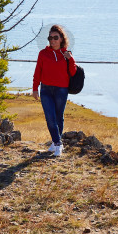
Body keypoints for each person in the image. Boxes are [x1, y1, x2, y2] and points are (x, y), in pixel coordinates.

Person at [32, 25, 76, 156]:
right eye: (50, 38)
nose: (52, 40)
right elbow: (37, 71)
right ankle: (58, 143)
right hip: (45, 90)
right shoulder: (43, 54)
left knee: (58, 118)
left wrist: (70, 59)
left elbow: (73, 72)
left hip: (62, 90)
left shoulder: (67, 54)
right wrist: (35, 88)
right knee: (50, 118)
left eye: (55, 37)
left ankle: (55, 143)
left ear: (62, 38)